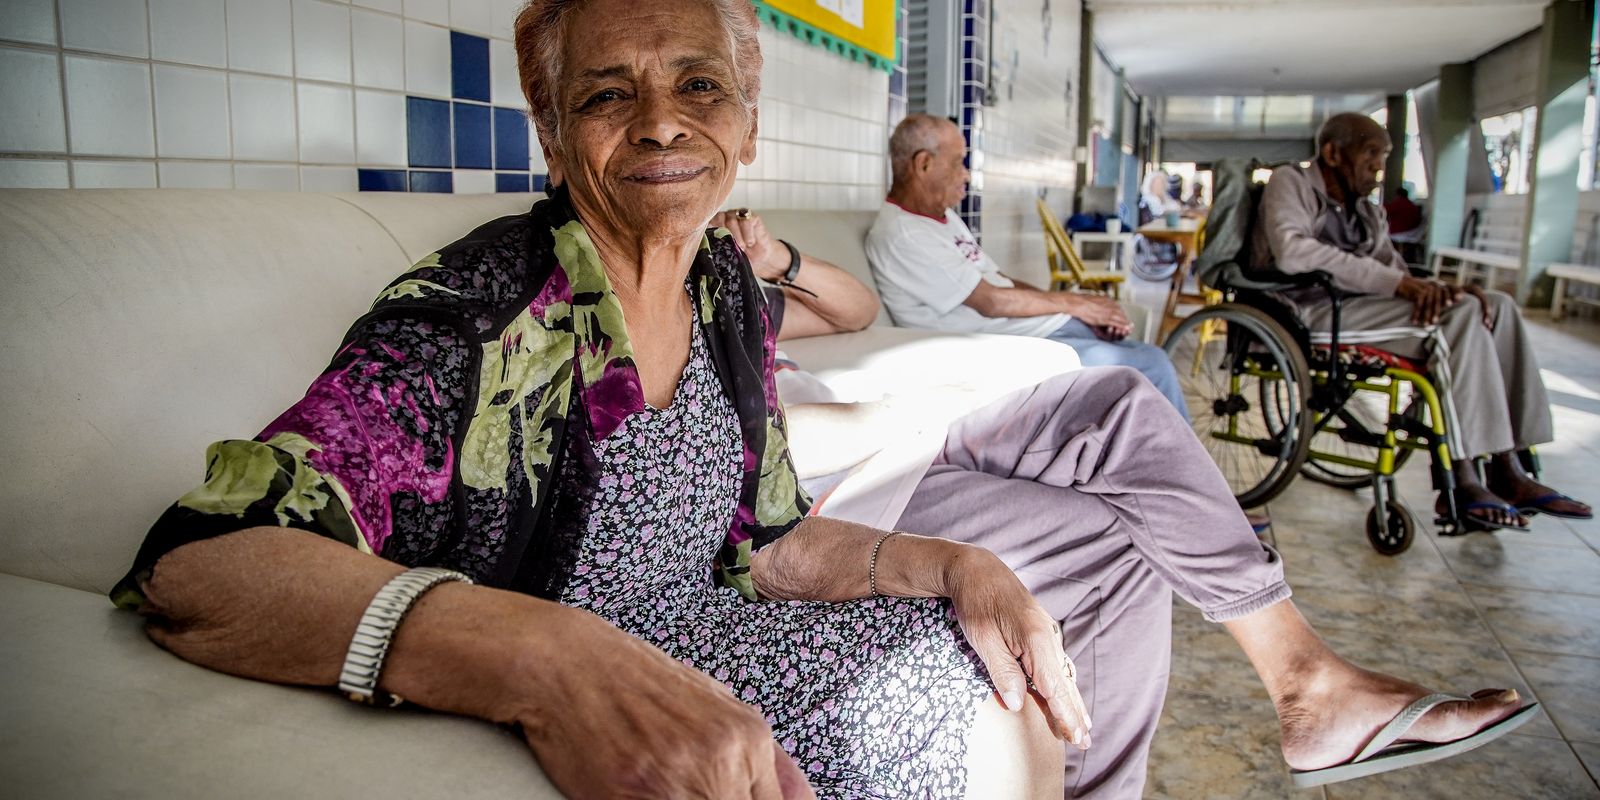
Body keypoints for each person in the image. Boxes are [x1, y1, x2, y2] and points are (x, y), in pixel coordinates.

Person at [106, 2, 1085, 798]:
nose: (661, 120)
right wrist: (550, 657)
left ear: (744, 127)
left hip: (711, 632)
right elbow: (202, 561)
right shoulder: (479, 311)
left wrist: (955, 563)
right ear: (555, 136)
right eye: (607, 93)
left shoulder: (722, 285)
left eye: (698, 85)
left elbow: (771, 536)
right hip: (553, 669)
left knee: (985, 659)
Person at [717, 208, 1538, 796]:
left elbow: (851, 310)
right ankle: (1307, 690)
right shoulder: (606, 314)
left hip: (860, 439)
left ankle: (1306, 680)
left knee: (1114, 405)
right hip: (810, 479)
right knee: (1111, 529)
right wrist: (889, 414)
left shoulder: (706, 276)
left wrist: (774, 259)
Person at [1254, 113, 1591, 530]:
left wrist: (1440, 288)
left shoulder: (1365, 210)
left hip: (1360, 307)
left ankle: (1510, 463)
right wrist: (1398, 284)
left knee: (1496, 305)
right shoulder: (1292, 183)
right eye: (1371, 153)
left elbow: (1394, 269)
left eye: (1385, 155)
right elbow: (1292, 252)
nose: (1379, 166)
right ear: (1332, 153)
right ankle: (1463, 476)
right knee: (1458, 323)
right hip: (1307, 310)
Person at [865, 114, 1187, 415]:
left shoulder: (941, 218)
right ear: (923, 164)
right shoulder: (904, 234)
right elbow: (991, 301)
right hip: (996, 350)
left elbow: (999, 279)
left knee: (1135, 350)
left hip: (1031, 332)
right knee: (1153, 364)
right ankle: (1179, 472)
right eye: (958, 162)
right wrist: (1077, 304)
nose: (966, 174)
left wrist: (1072, 310)